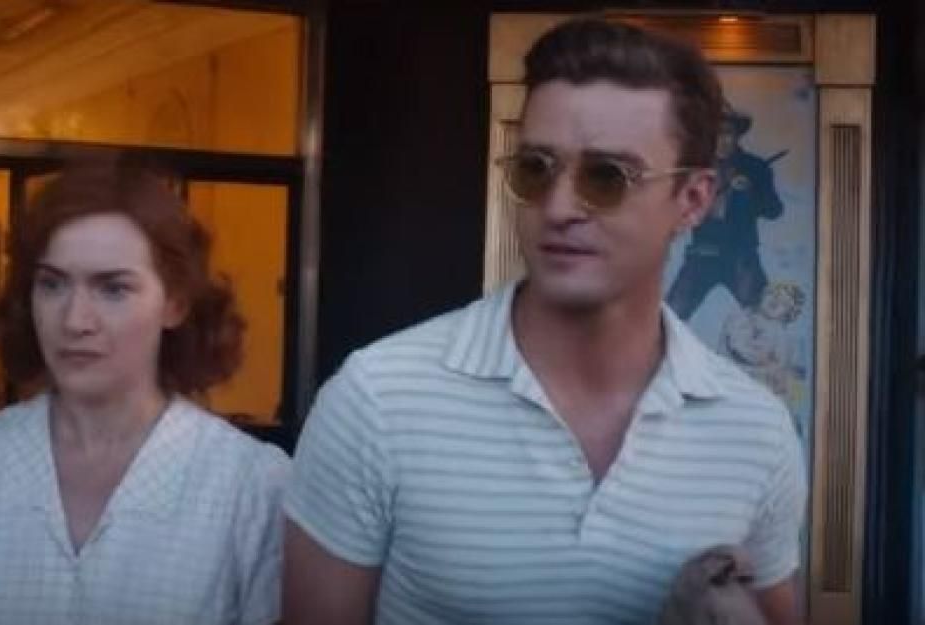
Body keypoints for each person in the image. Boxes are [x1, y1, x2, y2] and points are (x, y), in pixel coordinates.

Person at [284, 18, 805, 625]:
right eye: (535, 168)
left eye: (607, 177)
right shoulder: (376, 399)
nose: (559, 208)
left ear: (693, 200)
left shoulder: (755, 430)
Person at [0, 157, 290, 624]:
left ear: (175, 302)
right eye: (52, 285)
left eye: (113, 289)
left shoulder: (251, 487)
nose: (74, 320)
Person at [666, 107, 786, 319]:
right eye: (716, 134)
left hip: (741, 257)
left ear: (737, 136)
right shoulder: (695, 170)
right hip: (701, 255)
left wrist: (750, 192)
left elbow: (774, 210)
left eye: (727, 133)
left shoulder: (755, 167)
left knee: (765, 318)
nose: (722, 141)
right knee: (669, 318)